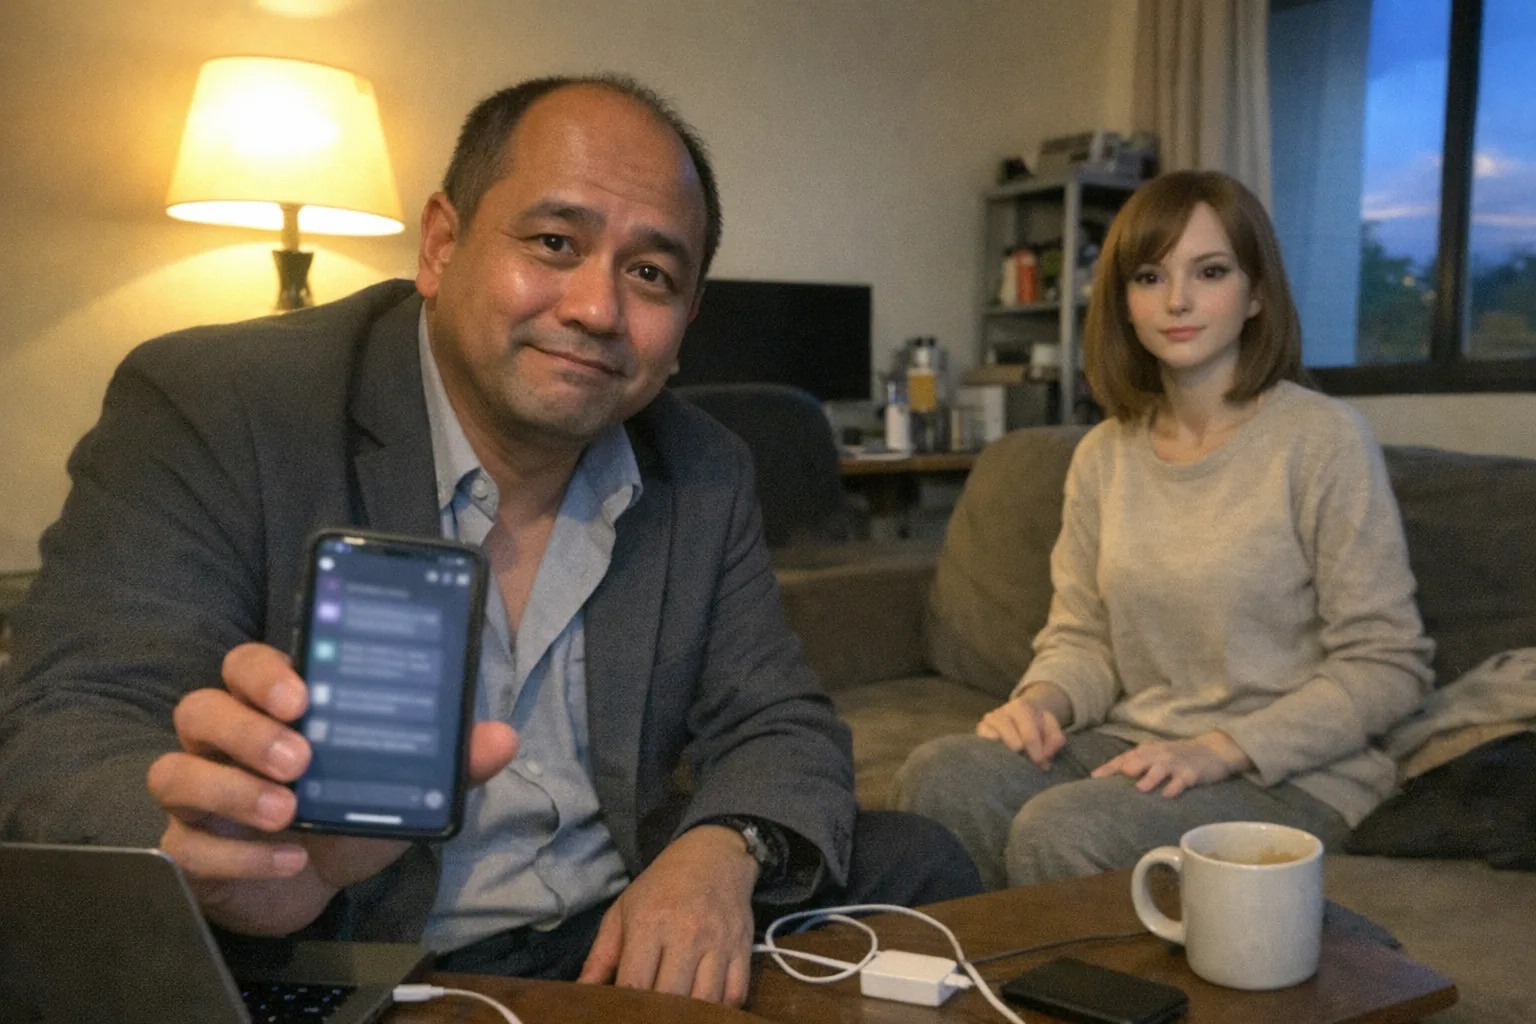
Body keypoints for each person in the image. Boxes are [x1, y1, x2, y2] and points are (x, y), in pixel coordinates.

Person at [0, 74, 979, 1006]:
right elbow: (66, 731)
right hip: (328, 932)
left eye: (649, 272)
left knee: (920, 861)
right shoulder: (221, 405)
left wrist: (716, 851)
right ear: (439, 244)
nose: (597, 308)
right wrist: (221, 853)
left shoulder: (704, 468)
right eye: (555, 241)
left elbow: (781, 721)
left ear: (682, 327)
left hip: (602, 933)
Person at [893, 170, 1434, 891]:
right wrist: (1040, 702)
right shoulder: (1103, 454)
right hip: (1133, 743)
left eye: (1209, 272)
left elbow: (1388, 665)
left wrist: (1223, 748)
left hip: (1293, 773)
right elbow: (1082, 636)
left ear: (1257, 293)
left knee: (1066, 828)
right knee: (941, 775)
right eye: (1150, 277)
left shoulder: (1322, 439)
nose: (1177, 300)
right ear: (1124, 302)